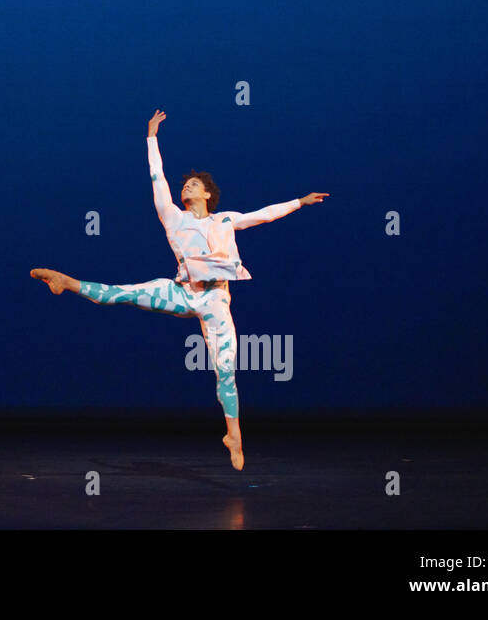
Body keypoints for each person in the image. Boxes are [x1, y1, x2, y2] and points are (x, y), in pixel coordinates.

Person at [31, 109, 329, 470]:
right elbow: (158, 178)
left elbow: (265, 213)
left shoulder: (225, 220)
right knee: (122, 293)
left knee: (226, 367)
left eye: (193, 185)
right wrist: (151, 137)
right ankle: (67, 281)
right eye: (185, 184)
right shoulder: (172, 217)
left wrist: (300, 201)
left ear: (206, 194)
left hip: (216, 298)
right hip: (183, 292)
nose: (186, 186)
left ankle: (233, 434)